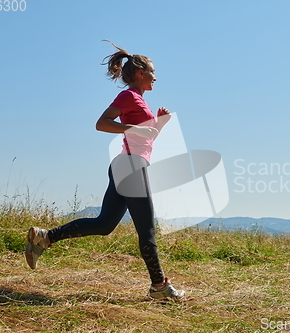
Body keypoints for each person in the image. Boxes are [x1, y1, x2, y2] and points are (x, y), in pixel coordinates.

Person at [25, 40, 185, 301]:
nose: (156, 77)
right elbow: (102, 123)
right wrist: (135, 128)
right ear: (141, 73)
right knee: (147, 230)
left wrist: (160, 123)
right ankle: (159, 286)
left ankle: (45, 237)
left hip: (128, 163)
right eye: (153, 72)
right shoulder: (128, 96)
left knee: (105, 224)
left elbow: (146, 138)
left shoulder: (139, 101)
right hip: (130, 165)